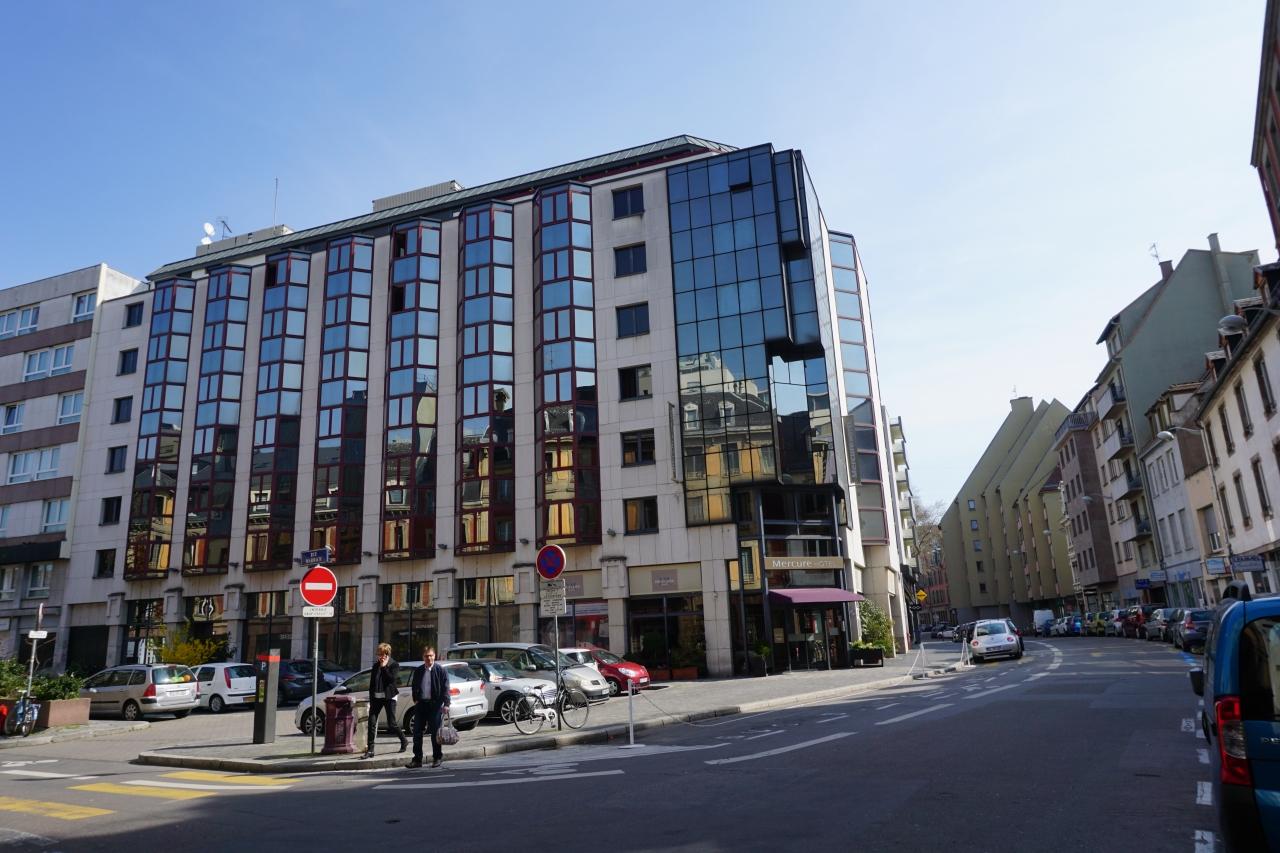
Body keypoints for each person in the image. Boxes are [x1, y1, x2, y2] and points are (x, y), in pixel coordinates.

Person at [408, 645, 450, 769]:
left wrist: (446, 704)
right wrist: (415, 699)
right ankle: (417, 760)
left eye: (431, 655)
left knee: (435, 733)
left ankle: (437, 758)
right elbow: (414, 685)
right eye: (426, 656)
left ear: (434, 656)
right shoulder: (419, 670)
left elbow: (446, 688)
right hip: (421, 704)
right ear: (423, 657)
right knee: (417, 732)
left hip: (435, 705)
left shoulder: (440, 671)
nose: (429, 658)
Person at [363, 643, 407, 759]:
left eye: (382, 654)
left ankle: (404, 740)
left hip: (389, 697)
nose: (380, 657)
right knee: (371, 723)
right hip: (376, 698)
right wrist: (371, 698)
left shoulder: (394, 665)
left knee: (391, 724)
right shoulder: (375, 666)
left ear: (387, 654)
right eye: (379, 654)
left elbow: (391, 680)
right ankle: (370, 750)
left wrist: (383, 667)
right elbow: (372, 684)